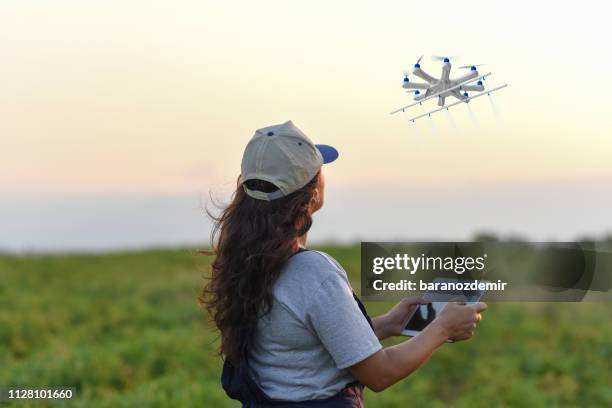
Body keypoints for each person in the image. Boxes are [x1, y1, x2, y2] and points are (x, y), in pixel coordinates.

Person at [201, 121, 487, 407]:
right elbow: (380, 374)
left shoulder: (245, 264)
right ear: (312, 194)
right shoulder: (314, 273)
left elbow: (297, 348)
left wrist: (386, 325)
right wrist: (442, 329)